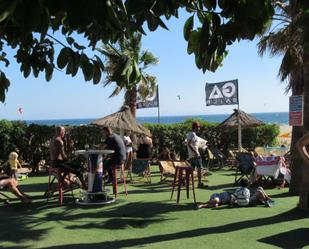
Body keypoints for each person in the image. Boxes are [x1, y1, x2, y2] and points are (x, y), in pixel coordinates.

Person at [186, 121, 207, 188]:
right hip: (195, 155)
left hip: (191, 155)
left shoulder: (190, 134)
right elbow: (189, 144)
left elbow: (191, 144)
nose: (199, 129)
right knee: (200, 168)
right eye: (198, 127)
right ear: (196, 127)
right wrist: (196, 152)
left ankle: (185, 181)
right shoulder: (192, 135)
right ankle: (200, 183)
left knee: (191, 169)